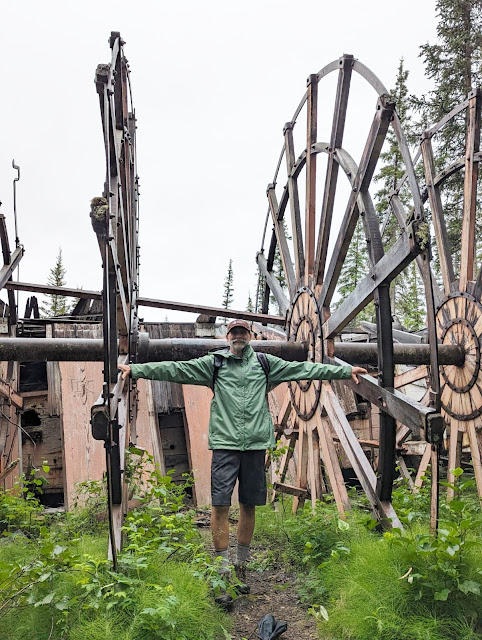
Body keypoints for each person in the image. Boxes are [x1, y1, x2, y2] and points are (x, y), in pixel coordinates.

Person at [118, 319, 367, 603]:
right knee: (220, 505)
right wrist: (136, 370)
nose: (238, 337)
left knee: (249, 505)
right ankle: (222, 573)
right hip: (225, 445)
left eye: (243, 332)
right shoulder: (215, 364)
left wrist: (344, 371)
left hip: (255, 446)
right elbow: (176, 369)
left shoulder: (265, 363)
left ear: (249, 336)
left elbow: (305, 369)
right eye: (234, 333)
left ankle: (241, 568)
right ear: (228, 337)